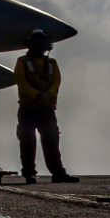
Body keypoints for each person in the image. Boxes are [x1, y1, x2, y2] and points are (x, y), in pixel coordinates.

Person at [14, 28, 77, 183]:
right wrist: (37, 95)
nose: (39, 45)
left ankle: (58, 173)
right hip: (28, 108)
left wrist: (47, 95)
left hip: (47, 109)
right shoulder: (22, 61)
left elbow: (56, 82)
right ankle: (29, 173)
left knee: (51, 141)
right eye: (36, 41)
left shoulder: (52, 63)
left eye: (41, 42)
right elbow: (21, 82)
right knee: (27, 141)